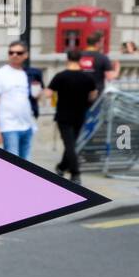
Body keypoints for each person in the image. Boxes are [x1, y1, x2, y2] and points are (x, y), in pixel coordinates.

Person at [48, 49, 99, 184]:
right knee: (71, 144)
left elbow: (48, 93)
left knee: (69, 145)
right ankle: (62, 167)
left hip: (63, 116)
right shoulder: (88, 77)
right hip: (80, 115)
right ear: (80, 60)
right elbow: (93, 95)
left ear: (67, 59)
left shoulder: (60, 76)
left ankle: (75, 174)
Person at [0, 41, 39, 159]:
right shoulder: (0, 73)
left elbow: (32, 98)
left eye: (19, 53)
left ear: (26, 55)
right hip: (9, 126)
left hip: (27, 125)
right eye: (11, 52)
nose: (14, 55)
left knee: (28, 165)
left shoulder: (28, 74)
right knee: (13, 164)